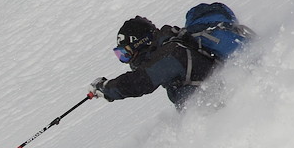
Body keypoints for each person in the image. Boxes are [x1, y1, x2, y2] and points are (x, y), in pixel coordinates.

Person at [89, 15, 219, 110]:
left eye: (125, 53)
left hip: (222, 101)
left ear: (140, 43)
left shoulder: (170, 54)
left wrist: (105, 88)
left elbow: (139, 81)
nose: (126, 60)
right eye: (120, 55)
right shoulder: (169, 51)